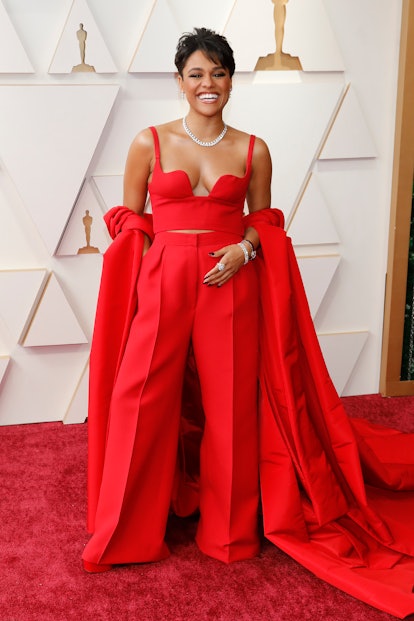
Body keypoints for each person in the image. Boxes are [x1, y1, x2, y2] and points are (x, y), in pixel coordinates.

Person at [83, 28, 414, 619]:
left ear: (232, 79)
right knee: (141, 403)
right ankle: (127, 533)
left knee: (232, 412)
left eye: (219, 73)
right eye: (196, 74)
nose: (207, 85)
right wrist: (151, 259)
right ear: (179, 81)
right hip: (165, 284)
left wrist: (247, 247)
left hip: (229, 282)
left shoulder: (253, 148)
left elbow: (265, 217)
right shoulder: (148, 142)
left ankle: (228, 536)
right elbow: (128, 217)